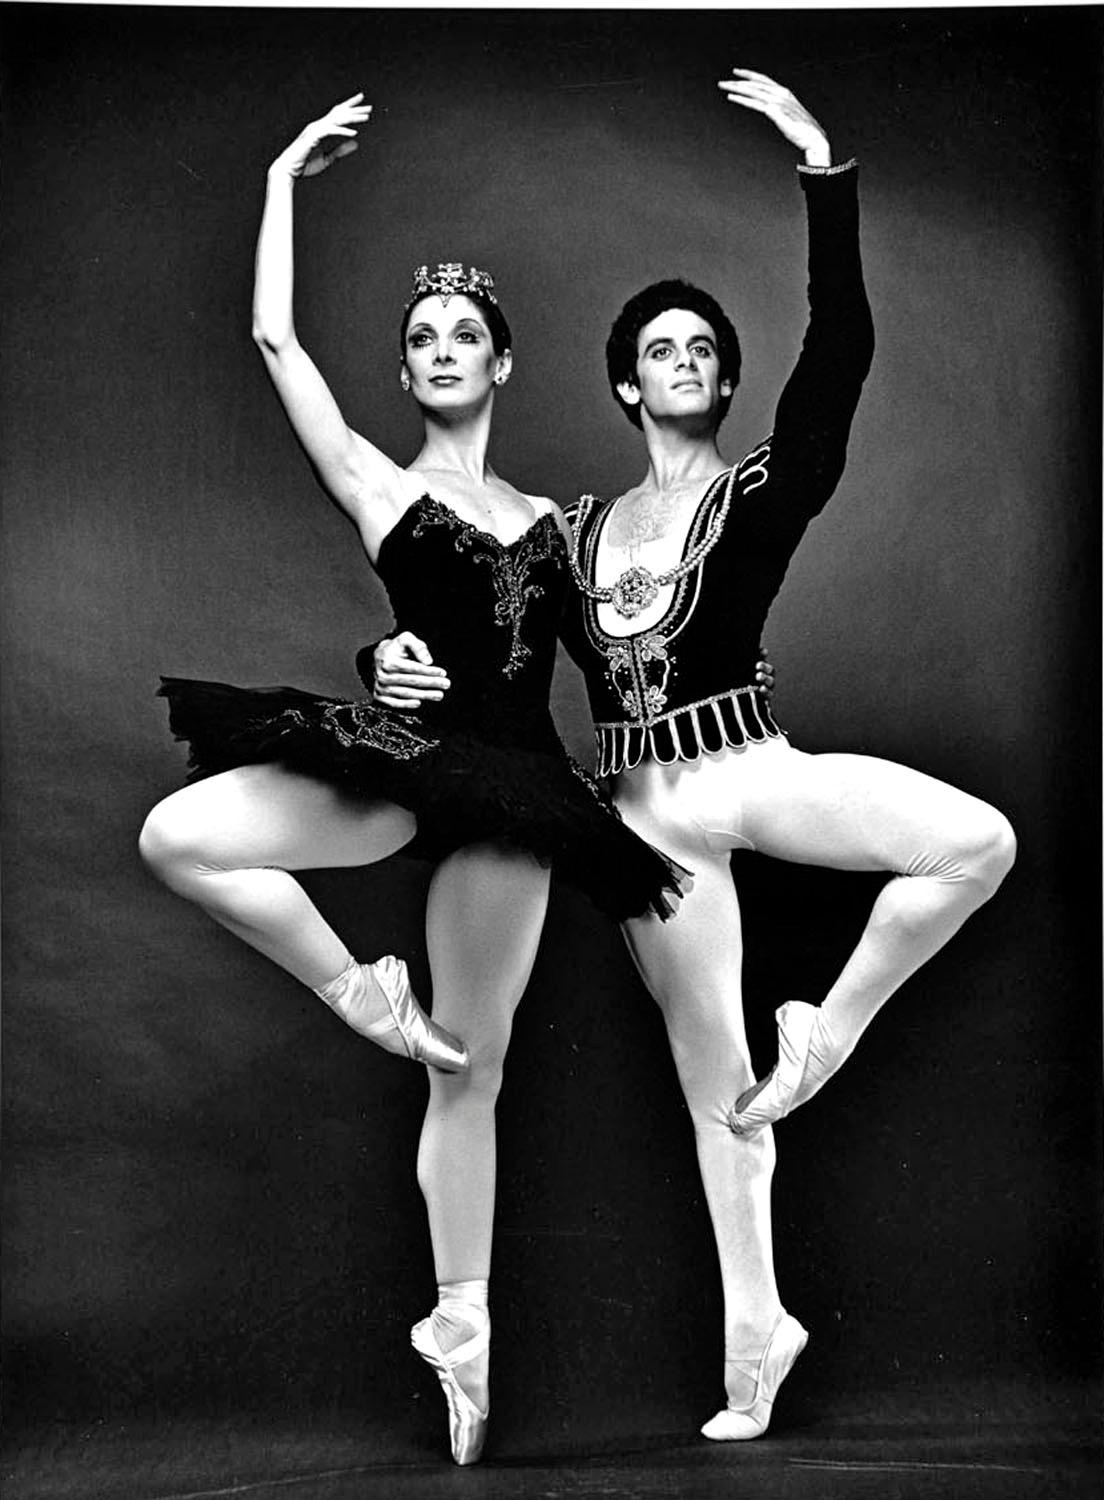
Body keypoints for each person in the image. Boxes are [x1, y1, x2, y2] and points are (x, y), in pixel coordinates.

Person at [371, 68, 1017, 1443]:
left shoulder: (758, 497)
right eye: (658, 348)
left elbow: (836, 364)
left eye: (701, 350)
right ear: (623, 382)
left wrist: (822, 171)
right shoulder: (570, 531)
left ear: (722, 381)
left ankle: (828, 1034)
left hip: (749, 764)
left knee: (975, 843)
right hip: (643, 819)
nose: (682, 361)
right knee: (716, 1089)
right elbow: (474, 633)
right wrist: (392, 664)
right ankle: (757, 1334)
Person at [137, 94, 684, 1467]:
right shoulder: (385, 490)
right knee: (181, 832)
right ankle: (359, 995)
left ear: (502, 364)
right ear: (407, 378)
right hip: (409, 762)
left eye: (461, 337)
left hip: (518, 786)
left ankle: (461, 1323)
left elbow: (626, 660)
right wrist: (277, 176)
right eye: (419, 341)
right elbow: (273, 340)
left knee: (474, 1070)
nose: (439, 352)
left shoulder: (562, 531)